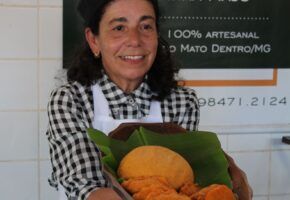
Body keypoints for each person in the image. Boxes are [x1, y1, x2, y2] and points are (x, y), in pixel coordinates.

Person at [46, 0, 251, 199]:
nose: (135, 40)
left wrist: (226, 170)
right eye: (119, 27)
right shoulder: (71, 100)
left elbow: (183, 177)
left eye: (146, 26)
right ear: (94, 40)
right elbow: (85, 183)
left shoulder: (181, 101)